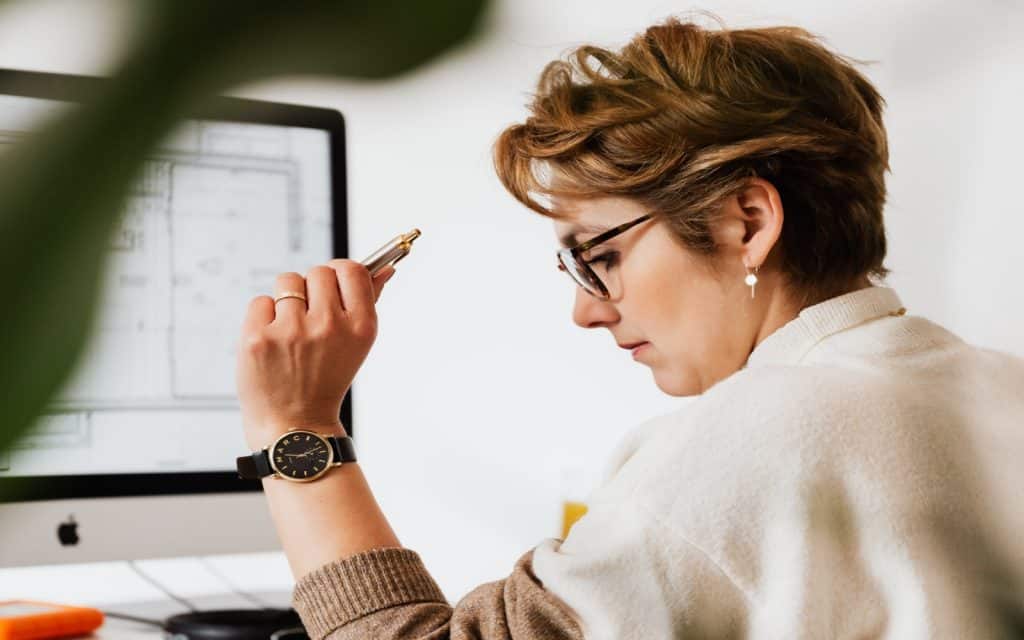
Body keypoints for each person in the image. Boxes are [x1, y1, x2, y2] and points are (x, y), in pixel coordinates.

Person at [234, 15, 1024, 640]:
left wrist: (298, 428)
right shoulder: (996, 389)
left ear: (745, 222)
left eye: (599, 256)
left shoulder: (767, 430)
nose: (585, 309)